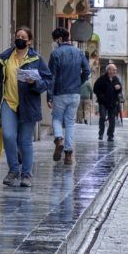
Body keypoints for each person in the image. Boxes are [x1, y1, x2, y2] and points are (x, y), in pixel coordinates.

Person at [0, 26, 53, 187]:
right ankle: (13, 170)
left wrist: (35, 83)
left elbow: (48, 80)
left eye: (24, 37)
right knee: (8, 136)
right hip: (8, 102)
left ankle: (26, 174)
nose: (20, 39)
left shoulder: (36, 59)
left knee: (25, 141)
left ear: (29, 41)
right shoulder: (5, 58)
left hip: (28, 104)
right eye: (18, 36)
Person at [47, 27, 90, 164]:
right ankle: (68, 154)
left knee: (57, 118)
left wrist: (49, 96)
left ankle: (59, 138)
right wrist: (79, 82)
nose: (54, 43)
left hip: (60, 92)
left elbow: (51, 77)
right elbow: (87, 70)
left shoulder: (55, 54)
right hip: (75, 94)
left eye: (55, 40)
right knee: (70, 122)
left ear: (59, 39)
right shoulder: (79, 52)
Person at [93, 64, 122, 141]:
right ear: (109, 70)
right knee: (102, 117)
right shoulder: (101, 79)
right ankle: (101, 133)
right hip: (103, 102)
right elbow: (95, 89)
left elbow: (119, 89)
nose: (115, 71)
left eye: (116, 70)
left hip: (112, 102)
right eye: (114, 70)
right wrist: (101, 97)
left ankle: (110, 135)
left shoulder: (116, 79)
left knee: (112, 119)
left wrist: (119, 88)